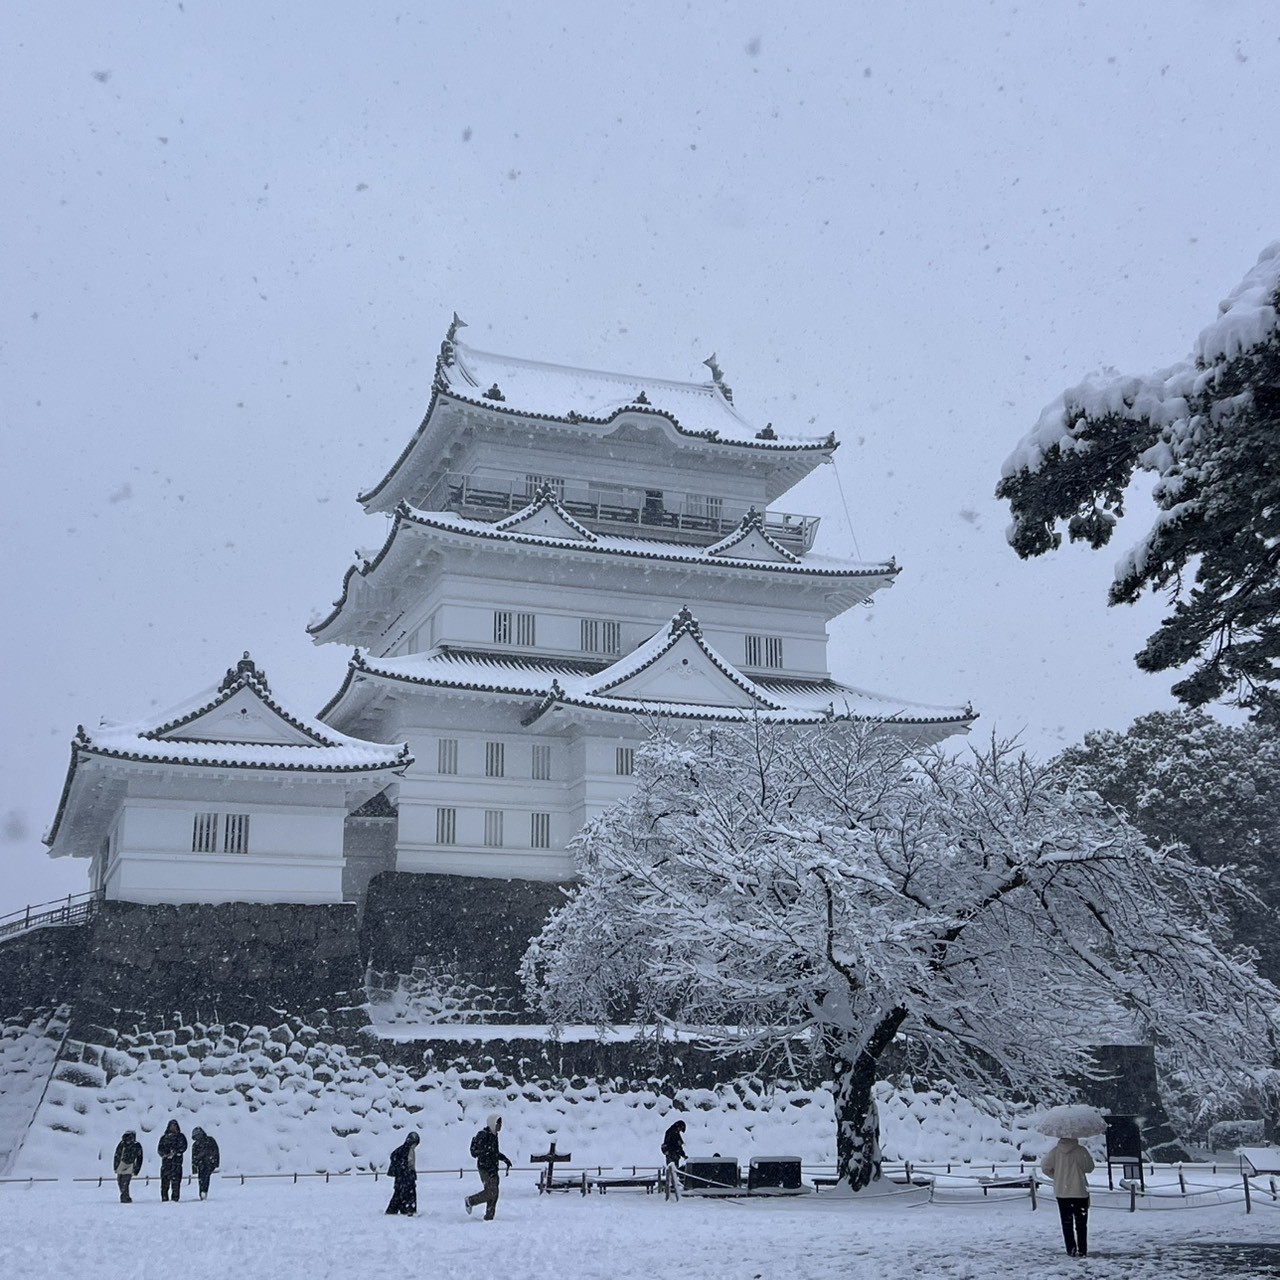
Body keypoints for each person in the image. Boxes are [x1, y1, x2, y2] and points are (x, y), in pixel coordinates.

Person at [1041, 1136, 1095, 1258]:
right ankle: (1082, 1250)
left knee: (1066, 1223)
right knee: (1081, 1224)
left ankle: (1070, 1249)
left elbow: (1045, 1168)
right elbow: (1090, 1168)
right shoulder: (1081, 1151)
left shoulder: (1055, 1151)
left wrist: (1057, 1177)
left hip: (1062, 1192)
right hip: (1079, 1192)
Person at [464, 1114, 512, 1220]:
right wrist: (489, 1165)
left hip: (493, 1168)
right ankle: (470, 1201)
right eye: (498, 1123)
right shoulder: (484, 1135)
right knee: (491, 1192)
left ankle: (489, 1217)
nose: (500, 1126)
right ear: (493, 1123)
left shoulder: (494, 1135)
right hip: (485, 1169)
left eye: (501, 1123)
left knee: (494, 1193)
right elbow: (482, 1153)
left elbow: (494, 1153)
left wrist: (504, 1159)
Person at [385, 1132, 420, 1216]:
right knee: (407, 1194)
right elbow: (408, 1163)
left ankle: (395, 1210)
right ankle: (408, 1210)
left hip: (402, 1177)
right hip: (405, 1177)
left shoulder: (402, 1149)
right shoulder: (407, 1150)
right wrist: (407, 1171)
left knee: (399, 1194)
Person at [157, 1119, 188, 1202]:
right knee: (164, 1182)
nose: (173, 1127)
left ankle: (175, 1198)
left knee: (176, 1182)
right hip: (166, 1163)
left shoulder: (180, 1137)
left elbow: (184, 1147)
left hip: (176, 1163)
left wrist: (176, 1152)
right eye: (171, 1126)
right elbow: (160, 1149)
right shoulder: (164, 1138)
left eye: (174, 1126)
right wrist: (166, 1154)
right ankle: (164, 1197)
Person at [113, 1130, 143, 1203]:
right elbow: (117, 1155)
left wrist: (137, 1169)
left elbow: (139, 1158)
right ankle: (125, 1195)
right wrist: (116, 1165)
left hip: (131, 1164)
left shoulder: (136, 1145)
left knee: (125, 1181)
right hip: (121, 1163)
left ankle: (125, 1197)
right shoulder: (122, 1144)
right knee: (120, 1181)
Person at [191, 1127, 220, 1201]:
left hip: (209, 1163)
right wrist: (194, 1168)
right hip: (201, 1164)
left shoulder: (210, 1140)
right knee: (201, 1178)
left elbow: (215, 1151)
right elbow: (193, 1157)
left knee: (206, 1177)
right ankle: (202, 1192)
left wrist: (215, 1162)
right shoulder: (195, 1145)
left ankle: (204, 1191)